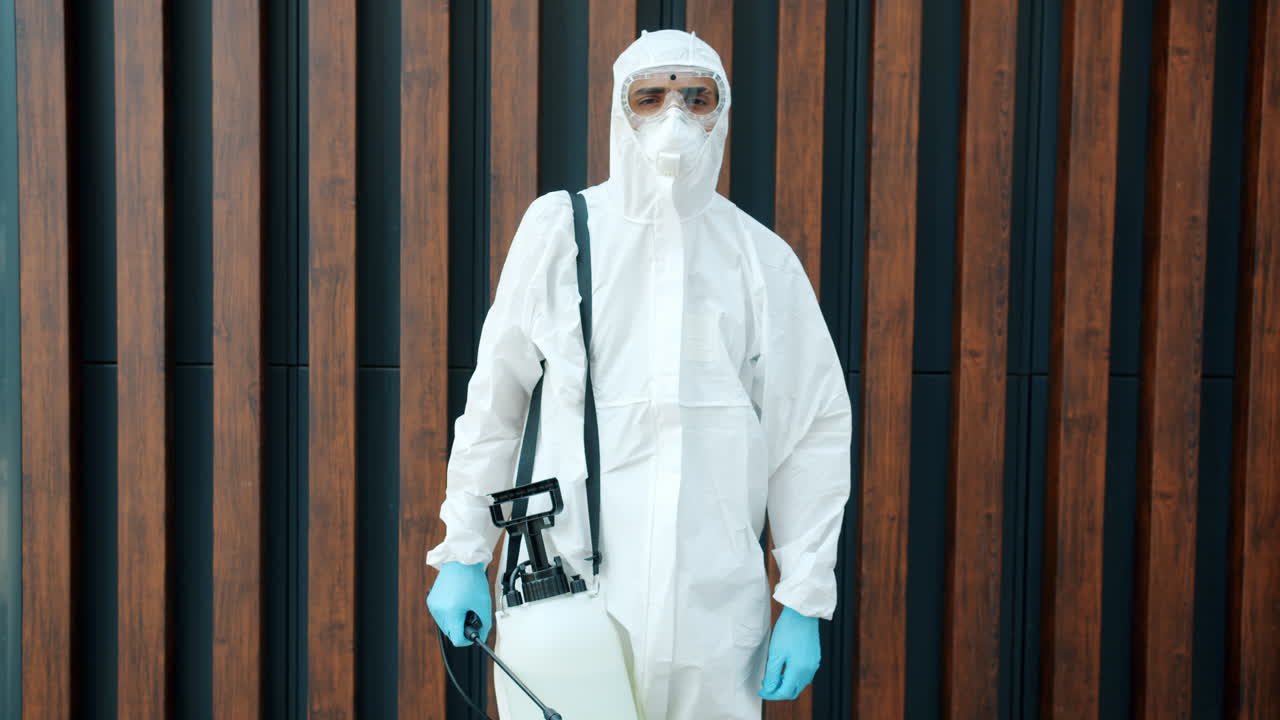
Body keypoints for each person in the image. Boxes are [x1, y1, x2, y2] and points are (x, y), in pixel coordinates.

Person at [426, 29, 851, 719]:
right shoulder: (561, 231)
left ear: (722, 110)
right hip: (566, 587)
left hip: (711, 605)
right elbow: (495, 403)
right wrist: (464, 551)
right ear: (619, 111)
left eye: (696, 97)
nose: (674, 117)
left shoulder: (759, 260)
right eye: (649, 97)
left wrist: (804, 598)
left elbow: (810, 436)